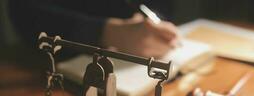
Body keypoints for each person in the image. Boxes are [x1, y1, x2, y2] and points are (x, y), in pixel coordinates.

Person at [8, 0, 179, 58]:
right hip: (51, 61)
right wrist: (105, 32)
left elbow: (161, 6)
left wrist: (154, 22)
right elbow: (23, 10)